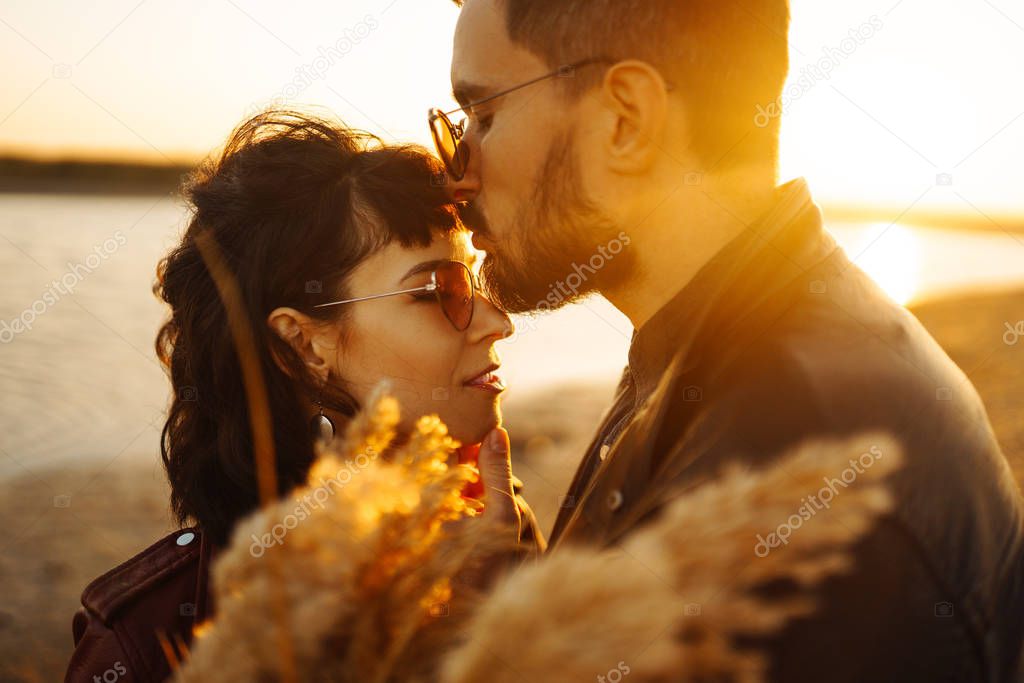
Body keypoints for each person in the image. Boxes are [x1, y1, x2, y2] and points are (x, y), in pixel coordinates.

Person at [435, 1, 1024, 680]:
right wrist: (527, 611)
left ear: (626, 120)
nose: (456, 175)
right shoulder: (720, 336)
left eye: (482, 117)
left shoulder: (795, 439)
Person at [64, 111, 540, 683]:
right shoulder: (149, 640)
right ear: (301, 346)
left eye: (474, 281)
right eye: (441, 289)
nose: (498, 321)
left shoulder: (492, 528)